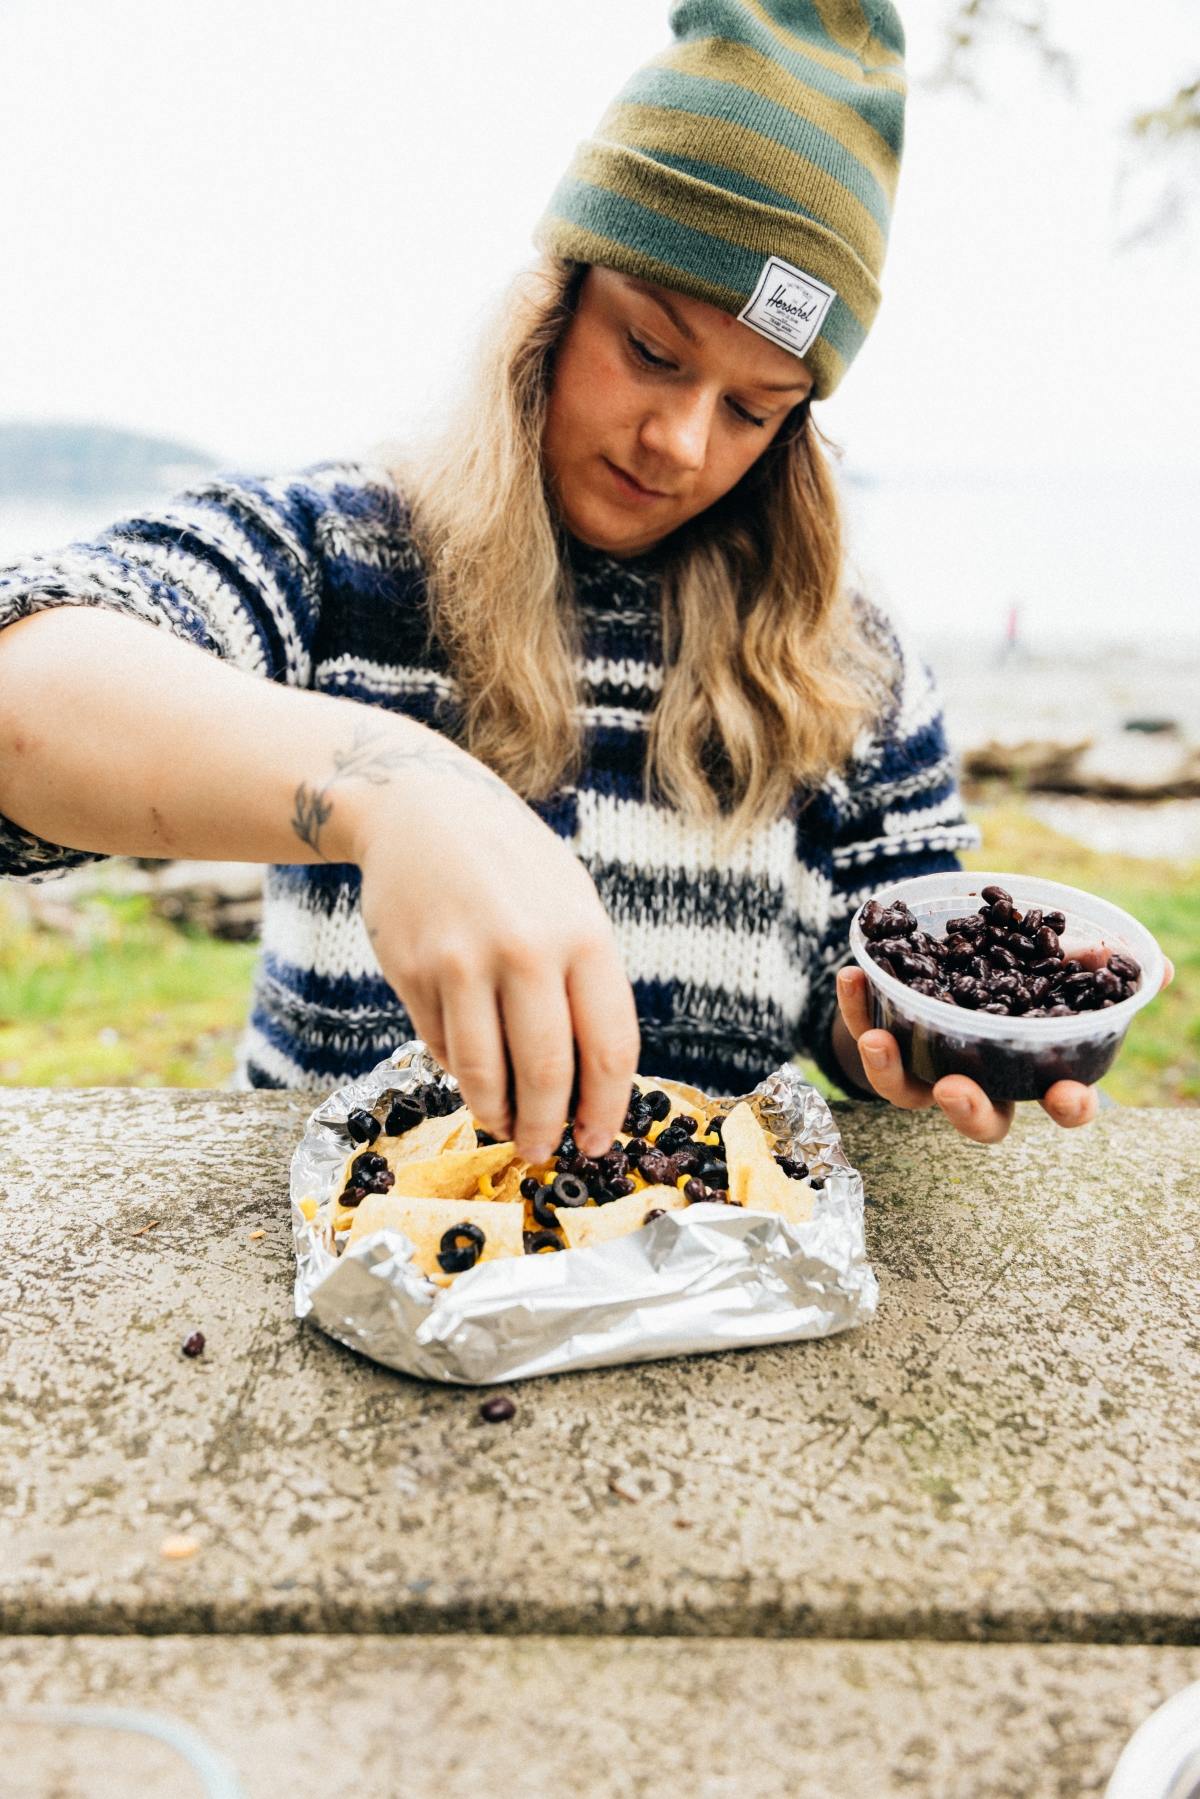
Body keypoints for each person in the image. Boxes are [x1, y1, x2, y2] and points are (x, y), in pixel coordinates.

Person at [0, 0, 1117, 1161]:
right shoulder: (341, 549)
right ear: (556, 302)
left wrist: (928, 1037)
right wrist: (398, 790)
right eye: (651, 350)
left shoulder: (861, 670)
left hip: (701, 1292)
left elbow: (885, 965)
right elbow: (23, 673)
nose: (682, 443)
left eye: (750, 408)